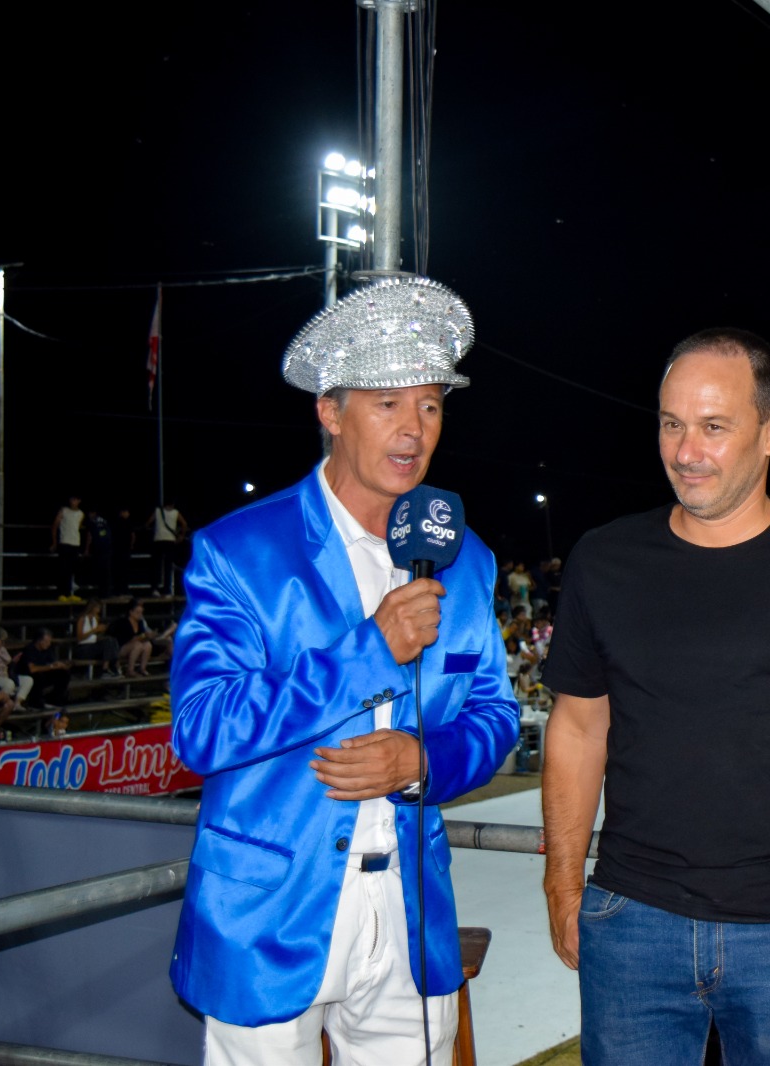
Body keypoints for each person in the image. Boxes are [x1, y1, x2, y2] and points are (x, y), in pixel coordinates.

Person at [542, 327, 770, 1065]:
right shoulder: (603, 559)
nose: (687, 451)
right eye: (671, 424)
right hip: (631, 921)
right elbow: (578, 729)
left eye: (715, 427)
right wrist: (562, 885)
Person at [168, 276, 519, 1064]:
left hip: (408, 912)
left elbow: (495, 715)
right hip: (266, 917)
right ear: (330, 412)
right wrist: (366, 652)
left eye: (430, 405)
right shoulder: (239, 551)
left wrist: (424, 760)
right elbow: (199, 730)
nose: (413, 430)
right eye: (387, 404)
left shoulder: (468, 562)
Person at [73, 600, 122, 678]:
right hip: (83, 648)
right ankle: (105, 669)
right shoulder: (82, 619)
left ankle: (115, 666)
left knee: (112, 640)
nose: (99, 609)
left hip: (93, 645)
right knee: (108, 641)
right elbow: (79, 637)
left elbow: (95, 637)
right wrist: (95, 630)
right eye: (98, 607)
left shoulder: (95, 619)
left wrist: (102, 631)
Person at [150, 500, 189, 595]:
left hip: (158, 540)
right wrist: (181, 536)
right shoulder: (176, 513)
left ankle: (155, 588)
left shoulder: (157, 511)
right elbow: (184, 524)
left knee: (156, 565)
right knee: (168, 566)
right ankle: (167, 590)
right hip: (170, 541)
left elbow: (148, 522)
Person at [51, 495, 84, 601]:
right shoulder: (63, 510)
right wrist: (54, 542)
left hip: (75, 543)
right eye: (72, 499)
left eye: (76, 499)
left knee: (73, 569)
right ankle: (61, 593)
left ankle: (70, 593)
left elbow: (78, 527)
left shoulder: (81, 514)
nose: (74, 501)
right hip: (64, 542)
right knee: (63, 568)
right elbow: (55, 525)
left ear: (79, 501)